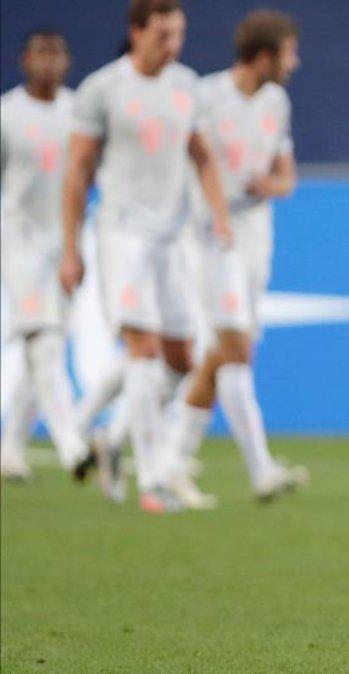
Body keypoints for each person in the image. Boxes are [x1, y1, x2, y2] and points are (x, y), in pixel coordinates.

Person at [60, 0, 233, 514]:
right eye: (162, 34)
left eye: (178, 34)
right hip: (122, 233)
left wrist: (220, 215)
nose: (172, 45)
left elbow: (203, 157)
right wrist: (71, 247)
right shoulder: (102, 89)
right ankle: (153, 481)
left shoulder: (186, 86)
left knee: (183, 359)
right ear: (136, 32)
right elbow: (77, 172)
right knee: (142, 348)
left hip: (172, 236)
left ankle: (113, 441)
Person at [161, 8, 307, 503]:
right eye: (289, 53)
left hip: (254, 232)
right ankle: (260, 469)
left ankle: (164, 458)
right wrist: (217, 213)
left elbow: (287, 175)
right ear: (264, 56)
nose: (295, 63)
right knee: (236, 348)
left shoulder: (277, 102)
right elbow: (191, 160)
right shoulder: (207, 95)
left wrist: (274, 183)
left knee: (224, 352)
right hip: (209, 232)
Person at [0, 28, 117, 493]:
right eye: (41, 54)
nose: (49, 62)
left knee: (45, 347)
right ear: (25, 59)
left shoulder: (76, 112)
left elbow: (92, 171)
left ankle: (10, 447)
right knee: (44, 341)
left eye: (57, 54)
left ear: (67, 62)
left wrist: (78, 243)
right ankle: (73, 446)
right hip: (20, 237)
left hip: (65, 238)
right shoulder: (8, 113)